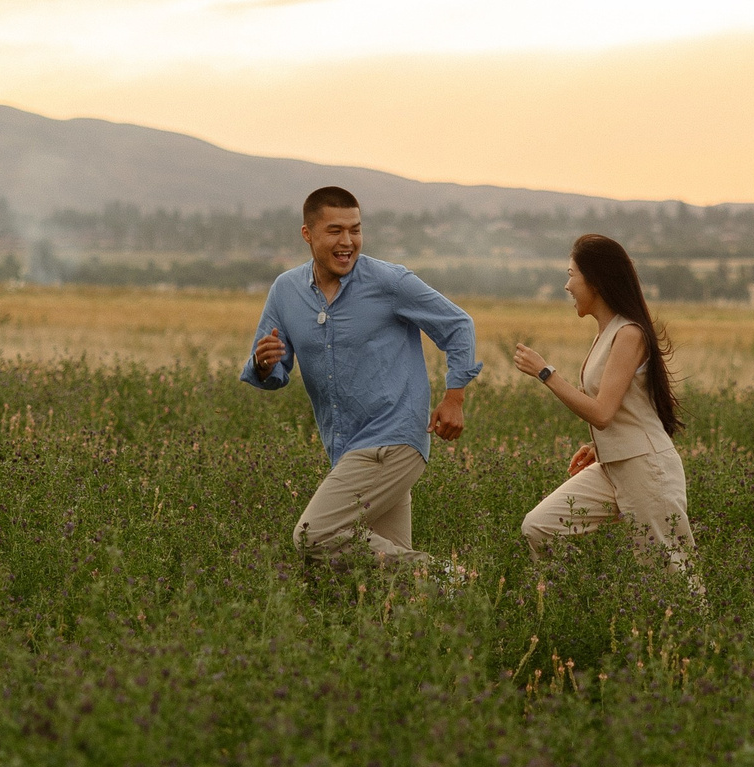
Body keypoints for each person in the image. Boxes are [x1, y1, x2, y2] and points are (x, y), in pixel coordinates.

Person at [243, 186, 478, 563]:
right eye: (335, 230)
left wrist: (454, 398)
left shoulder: (391, 282)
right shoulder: (286, 291)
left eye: (355, 229)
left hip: (394, 439)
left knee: (313, 535)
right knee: (382, 574)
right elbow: (270, 370)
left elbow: (458, 325)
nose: (347, 241)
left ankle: (445, 579)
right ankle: (439, 600)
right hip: (345, 447)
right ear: (308, 234)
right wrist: (262, 363)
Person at [509, 233, 696, 566]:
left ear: (594, 281)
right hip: (613, 466)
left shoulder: (630, 334)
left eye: (571, 275)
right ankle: (567, 607)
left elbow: (603, 412)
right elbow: (625, 409)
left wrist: (545, 373)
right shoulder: (607, 333)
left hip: (646, 470)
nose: (567, 286)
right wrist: (600, 446)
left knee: (670, 578)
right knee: (538, 527)